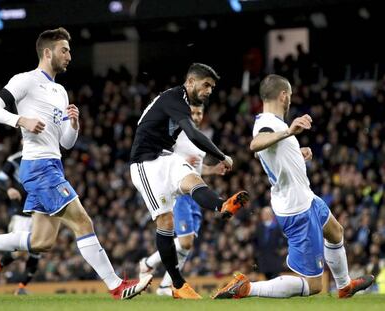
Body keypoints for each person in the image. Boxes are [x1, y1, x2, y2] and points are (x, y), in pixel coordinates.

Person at [0, 27, 152, 299]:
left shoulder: (60, 91)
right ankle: (116, 286)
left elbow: (66, 143)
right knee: (83, 221)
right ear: (47, 52)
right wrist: (21, 120)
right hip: (39, 167)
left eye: (69, 50)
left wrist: (75, 125)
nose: (69, 55)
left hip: (53, 164)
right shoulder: (25, 80)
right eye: (64, 50)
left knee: (41, 242)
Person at [213, 74, 374, 299]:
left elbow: (272, 157)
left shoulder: (272, 123)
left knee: (335, 232)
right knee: (314, 285)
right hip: (297, 206)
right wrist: (289, 131)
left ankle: (345, 286)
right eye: (290, 95)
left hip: (305, 196)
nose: (290, 99)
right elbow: (255, 144)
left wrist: (298, 154)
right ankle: (247, 288)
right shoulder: (267, 124)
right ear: (283, 95)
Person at [129, 62, 249, 299]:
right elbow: (193, 135)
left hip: (166, 156)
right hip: (145, 163)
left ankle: (222, 204)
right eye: (206, 85)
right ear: (191, 81)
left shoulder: (182, 103)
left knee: (191, 178)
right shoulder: (173, 98)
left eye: (212, 88)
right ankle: (177, 284)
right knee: (165, 221)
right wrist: (222, 155)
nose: (209, 91)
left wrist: (214, 163)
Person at [138, 103, 226, 296]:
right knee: (185, 242)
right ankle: (148, 263)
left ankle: (165, 287)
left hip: (195, 195)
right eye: (193, 112)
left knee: (189, 242)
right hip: (179, 194)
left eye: (199, 113)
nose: (196, 116)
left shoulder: (200, 138)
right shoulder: (177, 134)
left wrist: (212, 170)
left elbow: (196, 170)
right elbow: (168, 161)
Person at [0, 149, 40, 295]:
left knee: (36, 252)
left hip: (40, 214)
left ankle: (21, 288)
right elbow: (0, 179)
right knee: (19, 252)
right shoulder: (15, 159)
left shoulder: (45, 155)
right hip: (22, 213)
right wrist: (9, 188)